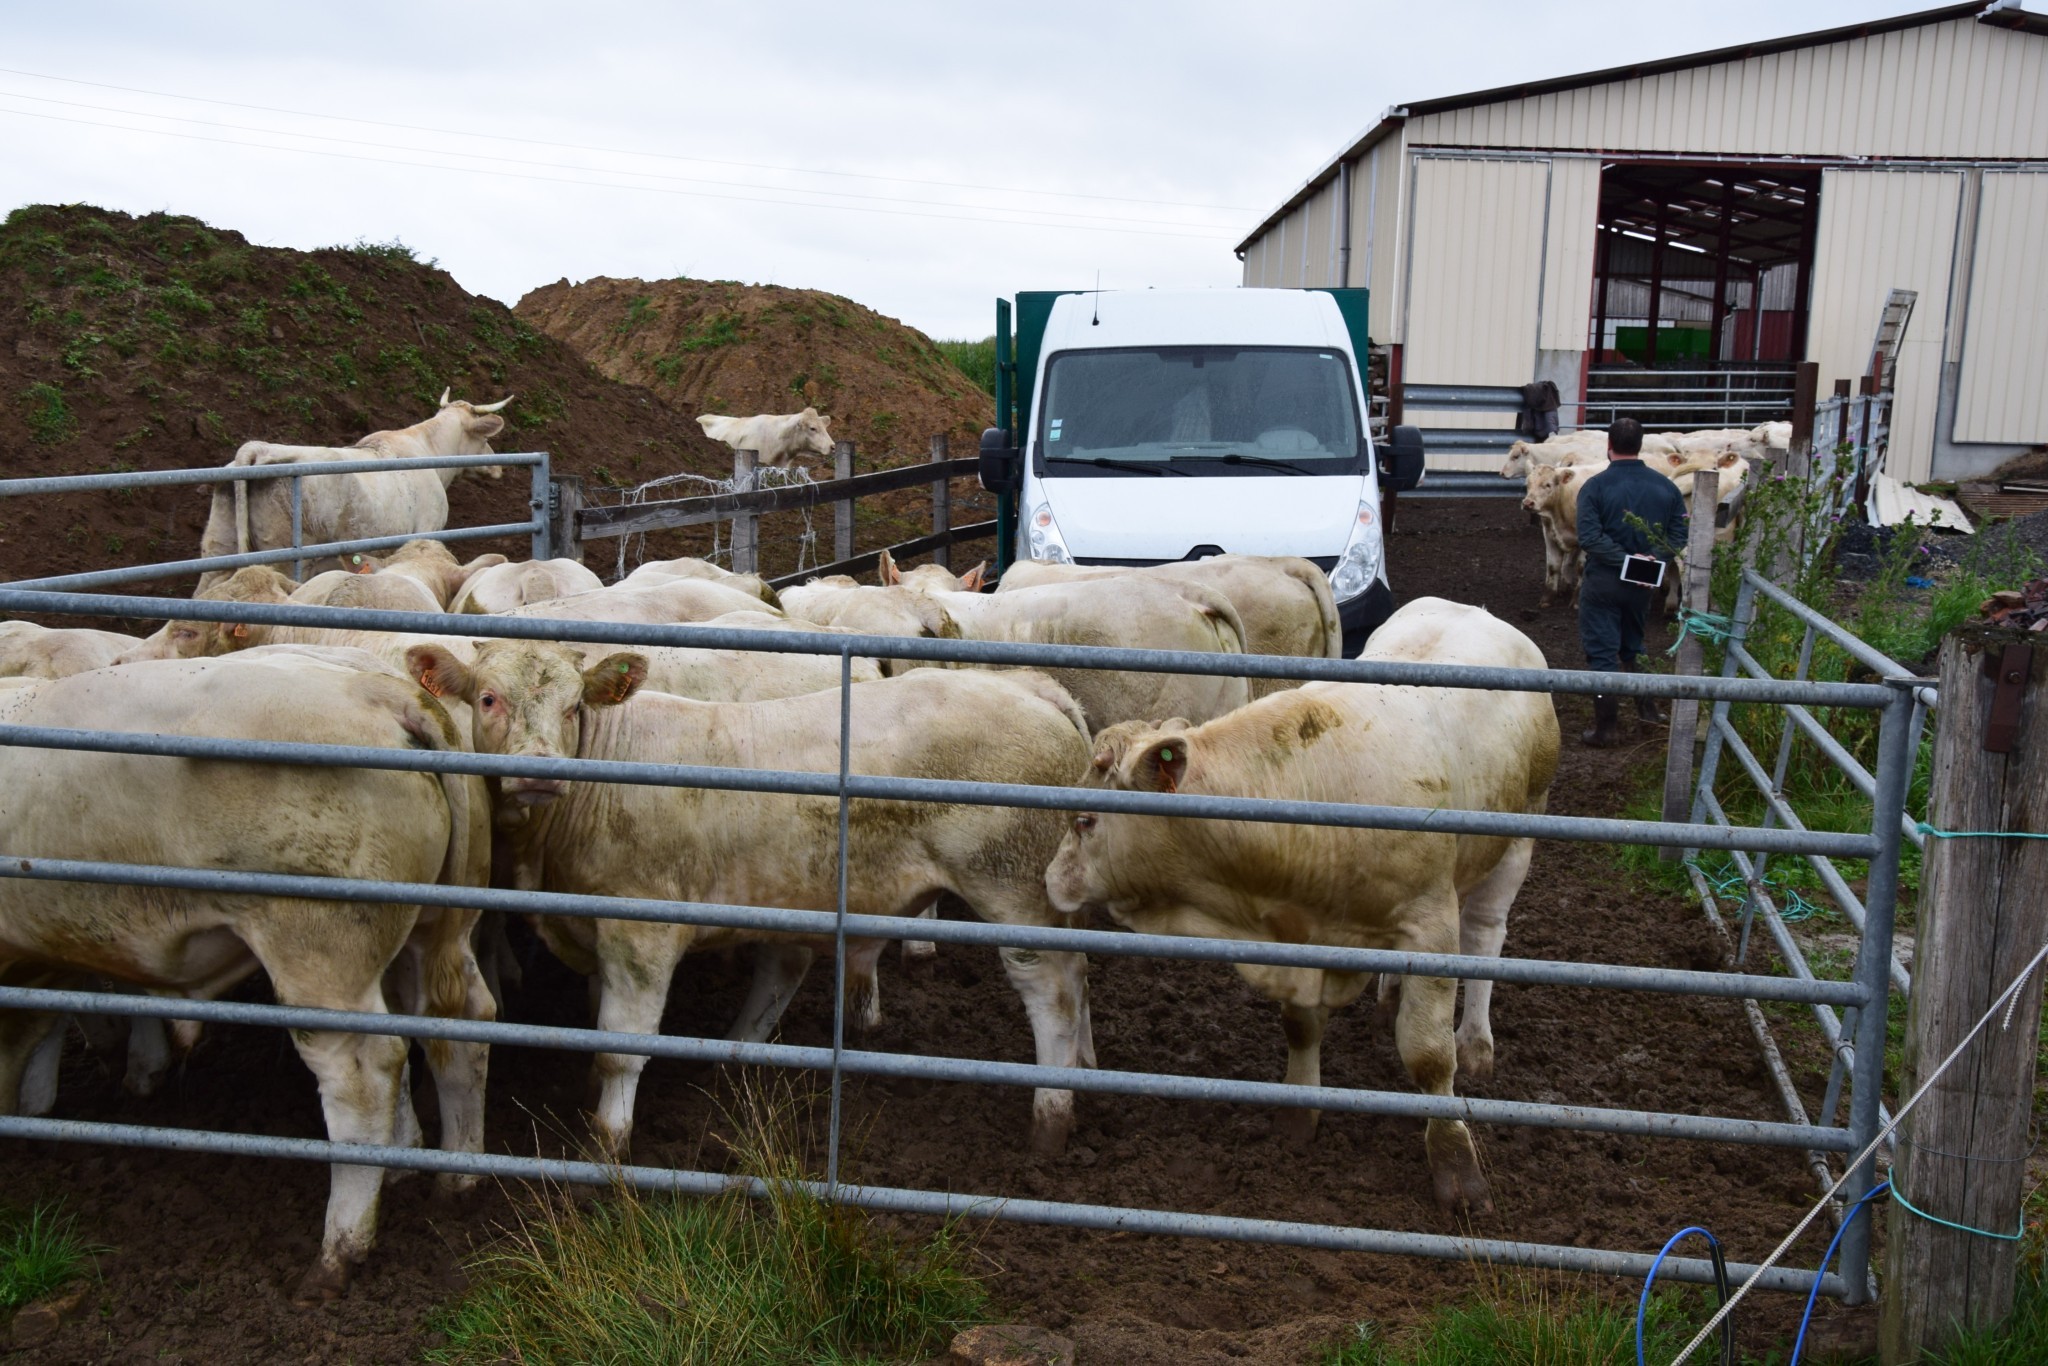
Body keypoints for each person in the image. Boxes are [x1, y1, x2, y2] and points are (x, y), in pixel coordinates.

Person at [1575, 418, 1687, 747]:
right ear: (1640, 445)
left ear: (1608, 445)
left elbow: (1590, 538)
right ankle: (1647, 713)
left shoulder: (1594, 487)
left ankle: (1607, 728)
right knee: (1634, 645)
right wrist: (1652, 560)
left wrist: (1625, 562)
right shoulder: (1666, 487)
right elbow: (1679, 533)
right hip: (1644, 586)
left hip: (1603, 583)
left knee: (1601, 652)